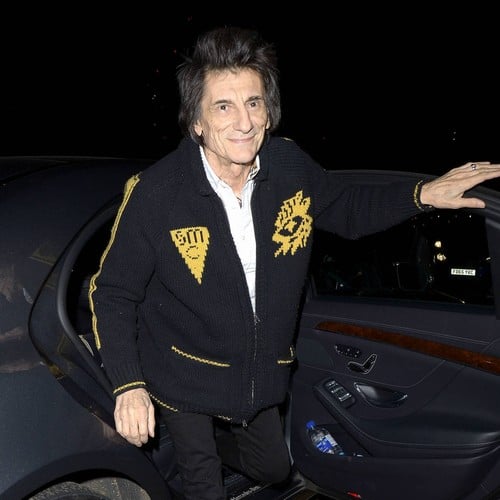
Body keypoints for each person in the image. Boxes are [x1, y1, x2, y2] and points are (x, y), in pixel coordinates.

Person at [89, 26, 500, 499]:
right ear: (196, 122)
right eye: (223, 107)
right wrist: (129, 384)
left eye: (254, 103)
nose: (244, 122)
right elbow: (112, 292)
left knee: (273, 469)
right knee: (204, 487)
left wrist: (422, 194)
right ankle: (195, 453)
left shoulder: (289, 167)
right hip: (185, 375)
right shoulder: (156, 193)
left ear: (269, 111)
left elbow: (347, 206)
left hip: (259, 376)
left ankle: (215, 447)